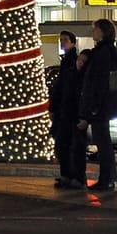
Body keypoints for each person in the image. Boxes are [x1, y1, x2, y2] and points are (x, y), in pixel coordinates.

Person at [76, 18, 117, 192]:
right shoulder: (105, 51)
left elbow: (99, 82)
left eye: (95, 29)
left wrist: (93, 107)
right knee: (102, 142)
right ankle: (108, 177)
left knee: (103, 143)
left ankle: (107, 179)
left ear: (102, 32)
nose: (92, 32)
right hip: (102, 105)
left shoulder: (104, 53)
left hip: (100, 106)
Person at [50, 31, 85, 188]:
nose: (62, 43)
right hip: (64, 109)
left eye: (65, 40)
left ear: (73, 42)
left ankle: (71, 176)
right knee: (63, 144)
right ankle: (67, 175)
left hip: (69, 109)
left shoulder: (72, 61)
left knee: (68, 144)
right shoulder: (67, 61)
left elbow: (65, 87)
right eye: (61, 40)